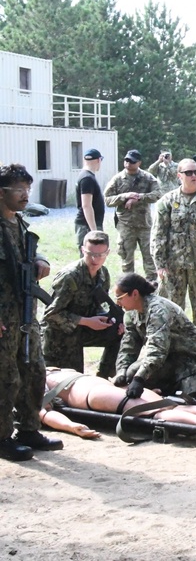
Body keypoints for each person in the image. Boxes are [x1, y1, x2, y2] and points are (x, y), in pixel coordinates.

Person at [0, 163, 63, 461]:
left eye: (28, 189)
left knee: (34, 371)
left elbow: (31, 251)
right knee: (5, 377)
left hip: (25, 314)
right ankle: (1, 437)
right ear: (1, 193)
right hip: (2, 319)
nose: (26, 195)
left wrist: (42, 261)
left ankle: (28, 429)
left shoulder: (20, 223)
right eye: (19, 190)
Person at [112, 273, 196, 402]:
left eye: (120, 297)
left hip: (192, 362)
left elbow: (157, 350)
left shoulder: (157, 310)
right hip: (169, 360)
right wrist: (121, 372)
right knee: (130, 374)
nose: (118, 302)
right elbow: (128, 346)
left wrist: (140, 379)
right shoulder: (131, 313)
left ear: (135, 294)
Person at [40, 367, 196, 437]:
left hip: (97, 392)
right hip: (98, 390)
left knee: (158, 409)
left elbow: (42, 411)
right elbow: (43, 413)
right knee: (160, 406)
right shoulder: (49, 372)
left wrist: (70, 426)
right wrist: (71, 426)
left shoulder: (38, 375)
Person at [152, 157, 196, 341]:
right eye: (189, 173)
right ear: (179, 176)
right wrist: (159, 264)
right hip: (174, 264)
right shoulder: (167, 201)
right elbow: (159, 234)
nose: (194, 176)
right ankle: (176, 347)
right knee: (173, 308)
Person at [41, 230, 122, 378]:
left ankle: (104, 377)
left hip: (82, 328)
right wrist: (86, 321)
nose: (94, 259)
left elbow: (96, 306)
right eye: (90, 254)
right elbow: (51, 315)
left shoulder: (103, 274)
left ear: (108, 253)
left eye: (100, 255)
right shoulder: (70, 276)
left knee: (120, 333)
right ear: (82, 250)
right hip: (60, 336)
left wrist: (110, 320)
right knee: (71, 381)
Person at [104, 149, 162, 280]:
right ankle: (128, 287)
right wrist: (124, 196)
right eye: (126, 160)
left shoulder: (147, 178)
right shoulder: (118, 179)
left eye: (132, 161)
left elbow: (158, 194)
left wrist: (139, 198)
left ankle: (151, 286)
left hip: (144, 225)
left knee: (150, 258)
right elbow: (107, 199)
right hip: (126, 225)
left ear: (139, 163)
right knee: (126, 260)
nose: (128, 163)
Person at [74, 148, 106, 247]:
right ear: (98, 160)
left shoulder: (86, 176)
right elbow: (86, 205)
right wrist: (94, 231)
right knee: (91, 257)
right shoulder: (87, 178)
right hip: (86, 225)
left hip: (87, 224)